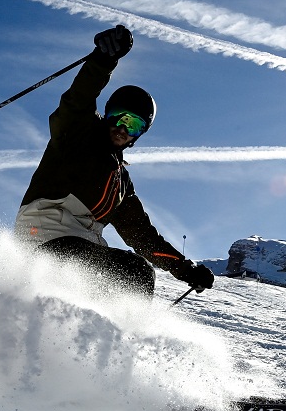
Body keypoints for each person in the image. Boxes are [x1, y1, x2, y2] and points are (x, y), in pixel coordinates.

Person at [15, 25, 214, 298]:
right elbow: (78, 99)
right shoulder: (79, 134)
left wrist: (185, 268)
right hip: (45, 238)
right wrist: (103, 60)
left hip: (83, 246)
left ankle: (110, 326)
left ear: (139, 134)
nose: (123, 128)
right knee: (132, 269)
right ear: (107, 114)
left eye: (134, 125)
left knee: (136, 274)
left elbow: (142, 235)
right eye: (120, 117)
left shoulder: (121, 184)